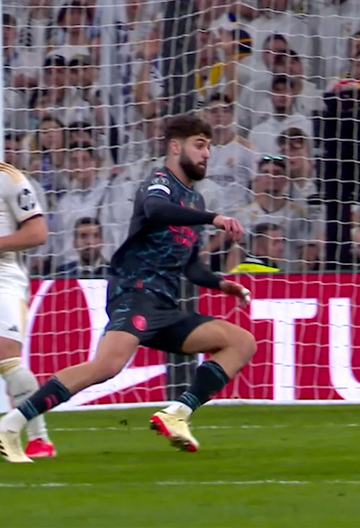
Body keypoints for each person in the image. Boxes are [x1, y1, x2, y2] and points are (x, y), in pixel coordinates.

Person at [0, 116, 255, 464]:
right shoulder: (159, 183)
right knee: (106, 366)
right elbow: (154, 209)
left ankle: (177, 413)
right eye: (199, 144)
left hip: (164, 306)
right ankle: (12, 425)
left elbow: (190, 264)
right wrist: (213, 219)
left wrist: (222, 284)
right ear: (175, 146)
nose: (206, 153)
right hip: (135, 292)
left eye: (209, 146)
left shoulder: (192, 202)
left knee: (241, 342)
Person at [0, 161, 53, 458]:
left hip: (4, 277)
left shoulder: (8, 178)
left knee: (5, 353)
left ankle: (39, 439)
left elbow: (37, 233)